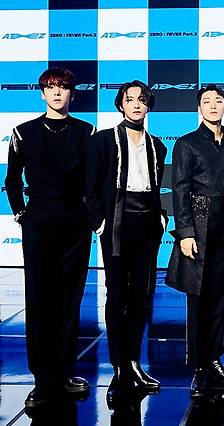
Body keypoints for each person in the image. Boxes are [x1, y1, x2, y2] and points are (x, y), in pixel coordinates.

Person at [5, 67, 95, 408]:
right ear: (42, 93)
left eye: (63, 87)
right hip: (39, 223)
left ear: (72, 93)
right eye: (51, 87)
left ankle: (65, 373)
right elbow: (12, 180)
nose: (57, 92)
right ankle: (42, 380)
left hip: (75, 224)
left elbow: (93, 180)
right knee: (40, 300)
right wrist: (21, 214)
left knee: (70, 300)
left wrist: (90, 217)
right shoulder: (23, 132)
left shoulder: (86, 131)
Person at [86, 80, 167, 407]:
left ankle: (133, 362)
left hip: (147, 221)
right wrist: (99, 222)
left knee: (141, 295)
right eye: (130, 99)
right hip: (116, 221)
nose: (136, 104)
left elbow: (155, 187)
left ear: (148, 105)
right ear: (120, 104)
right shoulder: (103, 140)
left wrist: (161, 218)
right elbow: (90, 187)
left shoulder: (157, 145)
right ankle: (119, 368)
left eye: (142, 99)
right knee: (117, 293)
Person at [165, 84, 224, 398]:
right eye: (206, 101)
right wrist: (185, 232)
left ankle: (214, 362)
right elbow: (180, 189)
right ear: (199, 108)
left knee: (219, 297)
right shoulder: (186, 143)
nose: (213, 105)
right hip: (198, 227)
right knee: (198, 298)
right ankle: (199, 368)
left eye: (218, 101)